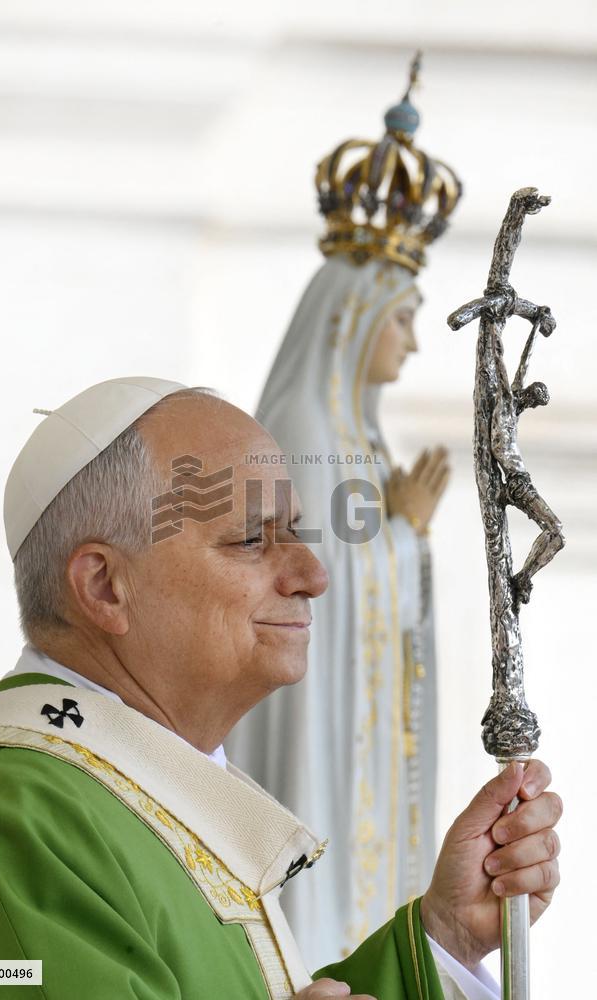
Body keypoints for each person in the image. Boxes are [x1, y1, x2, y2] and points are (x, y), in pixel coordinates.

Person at [0, 377, 562, 1000]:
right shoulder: (12, 813)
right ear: (104, 586)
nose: (313, 574)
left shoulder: (131, 784)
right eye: (252, 539)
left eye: (296, 529)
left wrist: (445, 936)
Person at [226, 58, 459, 965]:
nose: (408, 338)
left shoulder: (355, 434)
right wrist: (399, 536)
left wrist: (404, 538)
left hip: (353, 731)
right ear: (352, 319)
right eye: (400, 317)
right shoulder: (300, 428)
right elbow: (315, 587)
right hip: (309, 724)